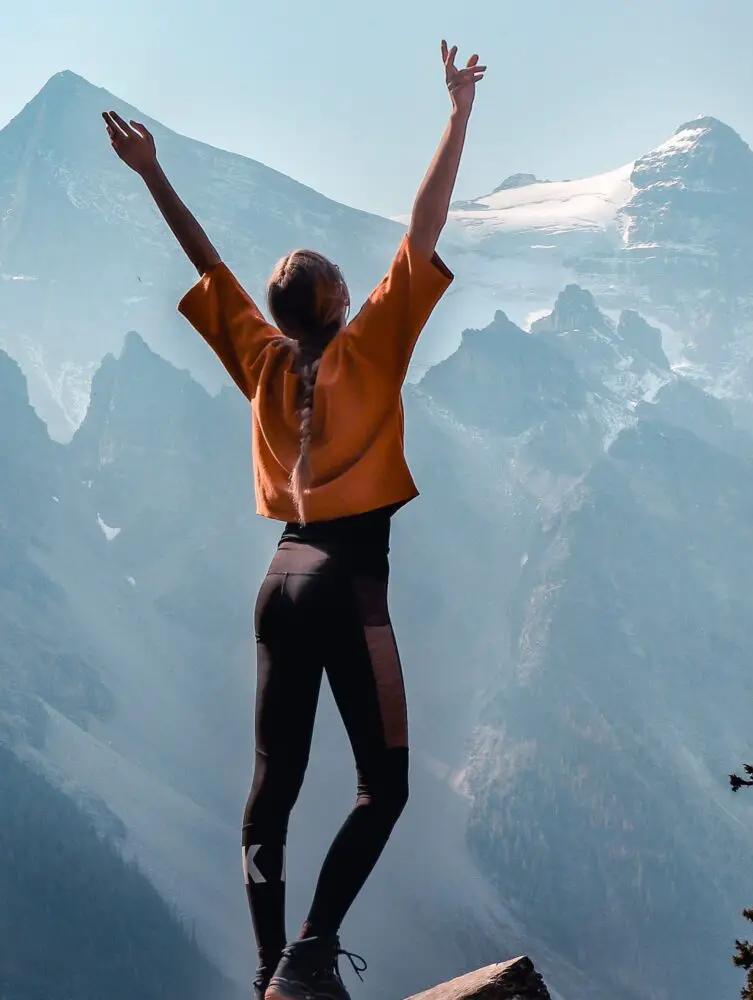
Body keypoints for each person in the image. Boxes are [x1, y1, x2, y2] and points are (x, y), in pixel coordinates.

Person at [102, 40, 486, 1000]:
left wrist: (154, 174)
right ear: (345, 303)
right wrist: (458, 112)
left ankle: (270, 971)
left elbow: (206, 261)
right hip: (351, 583)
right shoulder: (372, 350)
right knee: (383, 786)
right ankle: (314, 953)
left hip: (277, 582)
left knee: (273, 786)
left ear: (280, 315)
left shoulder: (262, 364)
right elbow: (426, 221)